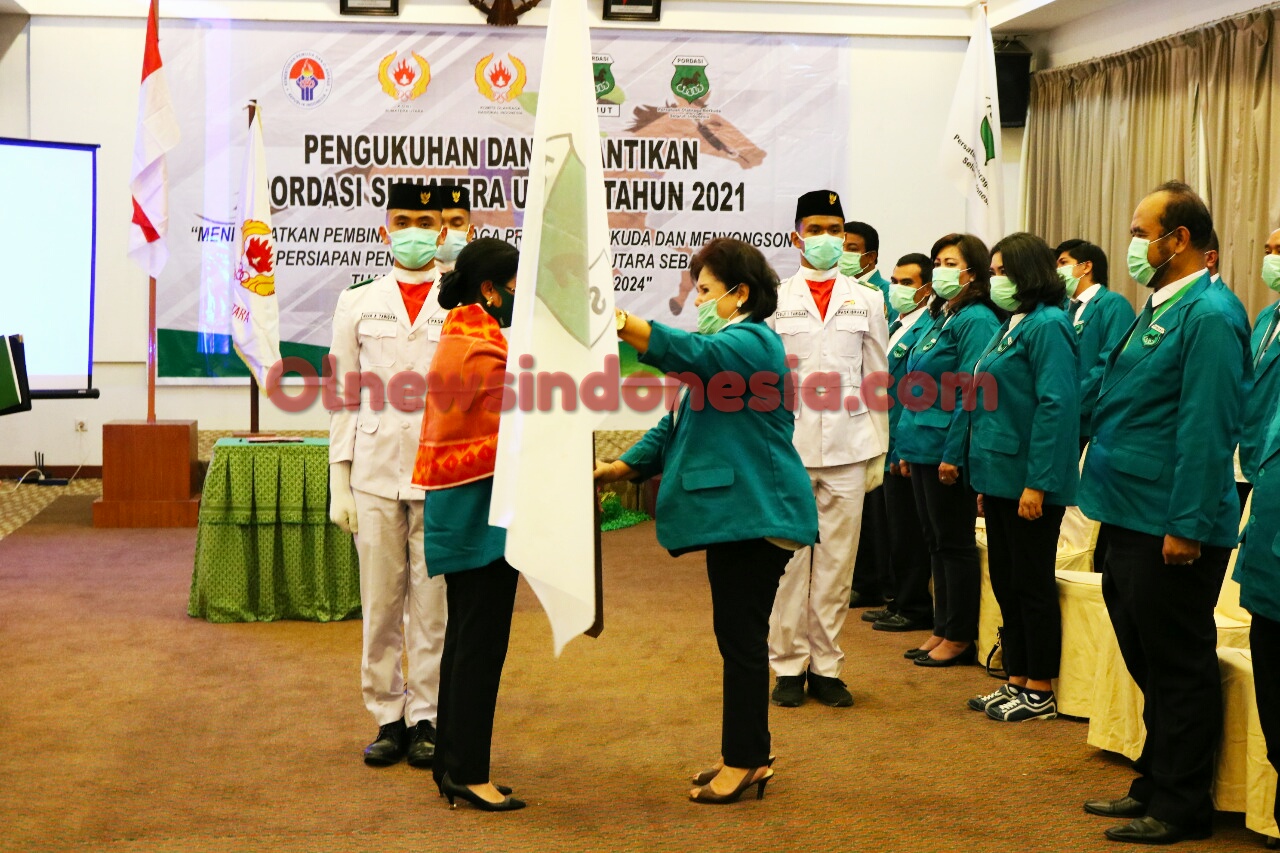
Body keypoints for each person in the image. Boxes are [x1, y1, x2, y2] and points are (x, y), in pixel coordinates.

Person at [594, 237, 818, 804]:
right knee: (736, 637)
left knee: (741, 641)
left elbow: (692, 352)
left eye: (706, 291)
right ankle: (745, 752)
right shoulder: (726, 350)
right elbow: (674, 426)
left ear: (739, 294)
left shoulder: (748, 342)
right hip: (737, 516)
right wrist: (619, 468)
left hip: (755, 514)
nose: (697, 301)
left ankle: (745, 762)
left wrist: (616, 319)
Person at [1077, 181, 1250, 845]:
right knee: (1146, 653)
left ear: (1178, 240)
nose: (1132, 243)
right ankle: (1155, 775)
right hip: (1124, 506)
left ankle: (1181, 804)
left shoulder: (1208, 313)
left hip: (1168, 519)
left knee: (1177, 662)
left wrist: (1185, 523)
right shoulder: (1163, 304)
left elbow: (1206, 427)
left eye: (1139, 229)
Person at [328, 181, 450, 769]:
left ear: (444, 231)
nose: (413, 231)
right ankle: (387, 716)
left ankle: (426, 715)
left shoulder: (462, 302)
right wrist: (339, 480)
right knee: (379, 601)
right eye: (402, 219)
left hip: (440, 472)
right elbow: (343, 395)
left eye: (424, 221)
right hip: (374, 473)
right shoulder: (357, 301)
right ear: (385, 229)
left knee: (433, 600)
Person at [413, 238, 525, 812]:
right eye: (515, 285)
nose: (518, 296)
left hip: (471, 513)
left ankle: (452, 764)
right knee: (478, 646)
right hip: (479, 516)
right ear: (491, 287)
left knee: (465, 642)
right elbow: (516, 419)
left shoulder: (468, 332)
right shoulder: (478, 344)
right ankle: (467, 771)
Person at [765, 192, 889, 708]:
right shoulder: (774, 297)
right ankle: (788, 666)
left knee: (838, 563)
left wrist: (879, 449)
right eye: (815, 228)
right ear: (796, 235)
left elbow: (878, 376)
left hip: (849, 445)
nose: (827, 239)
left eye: (835, 229)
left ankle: (827, 667)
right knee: (789, 565)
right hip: (788, 449)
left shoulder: (868, 299)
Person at [962, 233, 1079, 722]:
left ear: (1030, 272)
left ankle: (1040, 685)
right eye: (992, 272)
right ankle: (1015, 674)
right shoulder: (1015, 322)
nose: (996, 280)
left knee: (1031, 582)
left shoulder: (1049, 324)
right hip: (1000, 472)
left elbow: (1056, 406)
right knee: (1007, 579)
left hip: (1030, 479)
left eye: (1003, 271)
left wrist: (1038, 483)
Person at [892, 233, 1001, 666]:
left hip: (944, 447)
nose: (939, 268)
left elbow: (969, 391)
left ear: (972, 272)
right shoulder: (942, 315)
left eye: (949, 261)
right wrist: (903, 445)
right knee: (933, 539)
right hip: (919, 441)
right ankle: (941, 626)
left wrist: (954, 453)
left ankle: (959, 634)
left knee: (953, 542)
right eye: (936, 260)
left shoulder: (976, 318)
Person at [863, 254, 936, 633]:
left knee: (907, 529)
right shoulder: (897, 323)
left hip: (905, 437)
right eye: (894, 280)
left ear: (926, 288)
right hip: (884, 436)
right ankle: (895, 598)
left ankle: (913, 605)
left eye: (907, 283)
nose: (898, 289)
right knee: (890, 527)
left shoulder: (927, 325)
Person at [842, 220, 896, 611]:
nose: (841, 251)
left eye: (851, 246)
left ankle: (874, 581)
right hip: (841, 410)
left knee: (874, 510)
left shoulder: (883, 296)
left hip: (870, 407)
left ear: (870, 256)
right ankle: (859, 577)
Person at [1054, 239, 1134, 453]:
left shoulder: (1112, 304)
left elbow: (1111, 361)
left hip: (1091, 424)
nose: (1057, 270)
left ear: (1086, 266)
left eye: (1063, 262)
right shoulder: (1061, 310)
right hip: (1060, 420)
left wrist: (1072, 403)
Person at [1236, 227, 1280, 504]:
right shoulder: (1267, 316)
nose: (1271, 258)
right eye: (1268, 251)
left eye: (1279, 251)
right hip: (1244, 447)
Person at [432, 185, 476, 274]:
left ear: (470, 232)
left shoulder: (482, 280)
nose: (446, 232)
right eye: (439, 224)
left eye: (456, 224)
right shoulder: (411, 280)